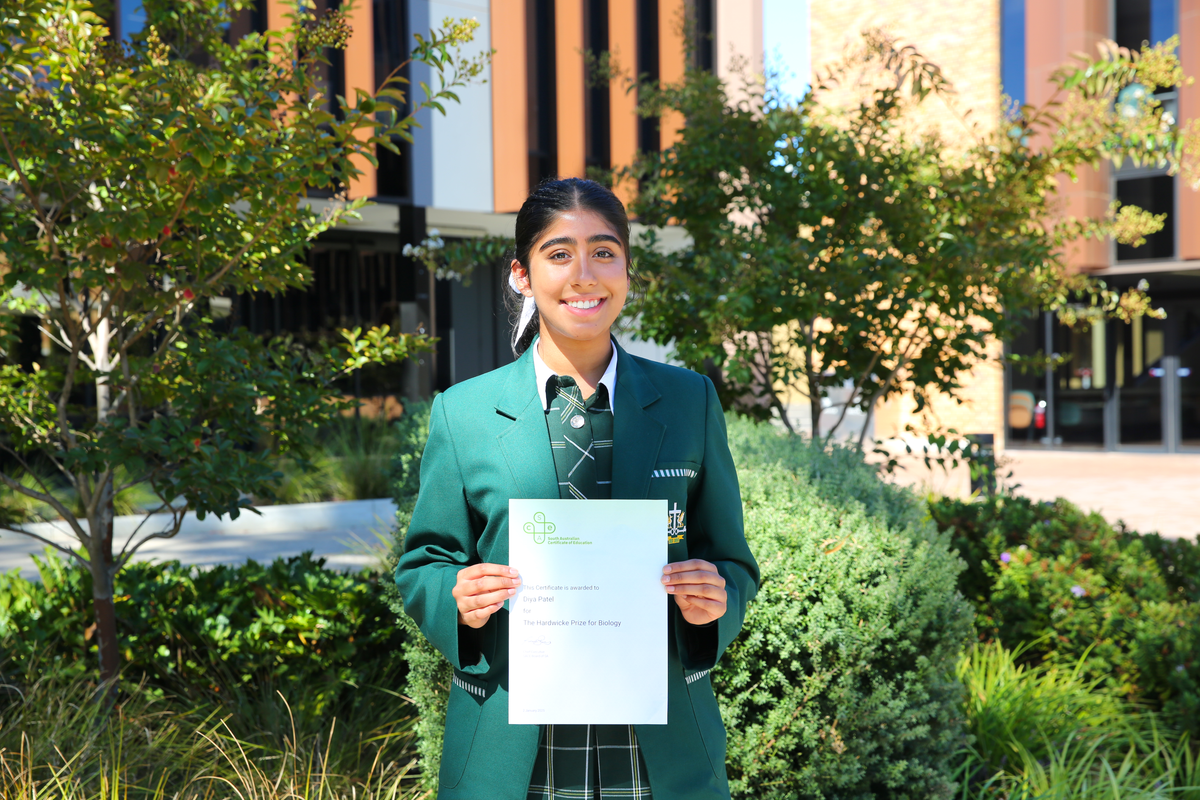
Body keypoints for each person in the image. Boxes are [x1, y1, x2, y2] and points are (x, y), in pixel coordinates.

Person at [395, 177, 760, 800]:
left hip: (660, 746)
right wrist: (457, 597)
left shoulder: (689, 401)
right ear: (522, 274)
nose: (584, 275)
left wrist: (715, 597)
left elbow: (732, 560)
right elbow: (424, 562)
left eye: (604, 252)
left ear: (627, 271)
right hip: (512, 746)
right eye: (559, 254)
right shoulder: (465, 412)